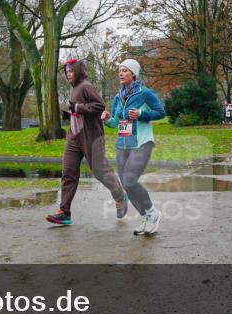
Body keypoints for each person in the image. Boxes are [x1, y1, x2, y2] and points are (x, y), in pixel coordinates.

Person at [46, 59, 127, 226]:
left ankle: (120, 196)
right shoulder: (74, 88)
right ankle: (64, 212)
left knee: (99, 171)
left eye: (71, 71)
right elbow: (79, 109)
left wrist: (78, 108)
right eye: (66, 71)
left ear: (78, 71)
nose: (68, 73)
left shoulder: (86, 86)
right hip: (74, 137)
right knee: (68, 172)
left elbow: (99, 106)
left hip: (92, 137)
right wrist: (71, 114)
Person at [101, 59, 165, 236]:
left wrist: (142, 114)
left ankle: (152, 213)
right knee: (126, 185)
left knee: (129, 180)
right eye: (119, 70)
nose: (120, 73)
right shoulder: (117, 96)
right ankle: (145, 216)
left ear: (133, 74)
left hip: (141, 141)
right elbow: (115, 122)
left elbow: (161, 112)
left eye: (125, 70)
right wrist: (107, 119)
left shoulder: (145, 93)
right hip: (123, 143)